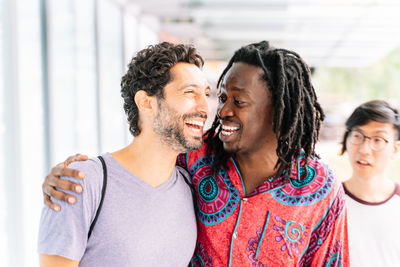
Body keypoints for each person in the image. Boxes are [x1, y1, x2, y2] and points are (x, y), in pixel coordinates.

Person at [42, 41, 349, 266]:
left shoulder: (320, 188)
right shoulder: (196, 155)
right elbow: (143, 152)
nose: (220, 110)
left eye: (238, 102)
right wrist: (70, 176)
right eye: (223, 97)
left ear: (277, 112)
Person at [38, 42, 211, 266]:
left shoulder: (192, 185)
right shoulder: (81, 183)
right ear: (146, 103)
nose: (205, 107)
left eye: (206, 94)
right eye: (190, 92)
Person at [340, 100, 400, 267]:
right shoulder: (328, 203)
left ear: (395, 149)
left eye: (378, 140)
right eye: (357, 136)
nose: (364, 149)